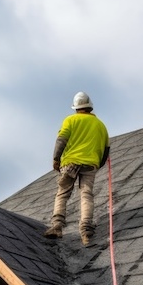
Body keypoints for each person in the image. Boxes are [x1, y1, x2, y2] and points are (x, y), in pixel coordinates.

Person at [44, 91, 110, 245]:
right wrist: (97, 164)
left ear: (76, 108)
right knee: (86, 194)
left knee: (63, 193)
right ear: (89, 107)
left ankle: (57, 227)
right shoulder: (101, 125)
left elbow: (61, 140)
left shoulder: (70, 120)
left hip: (70, 163)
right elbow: (106, 150)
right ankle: (86, 230)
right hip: (90, 164)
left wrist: (56, 159)